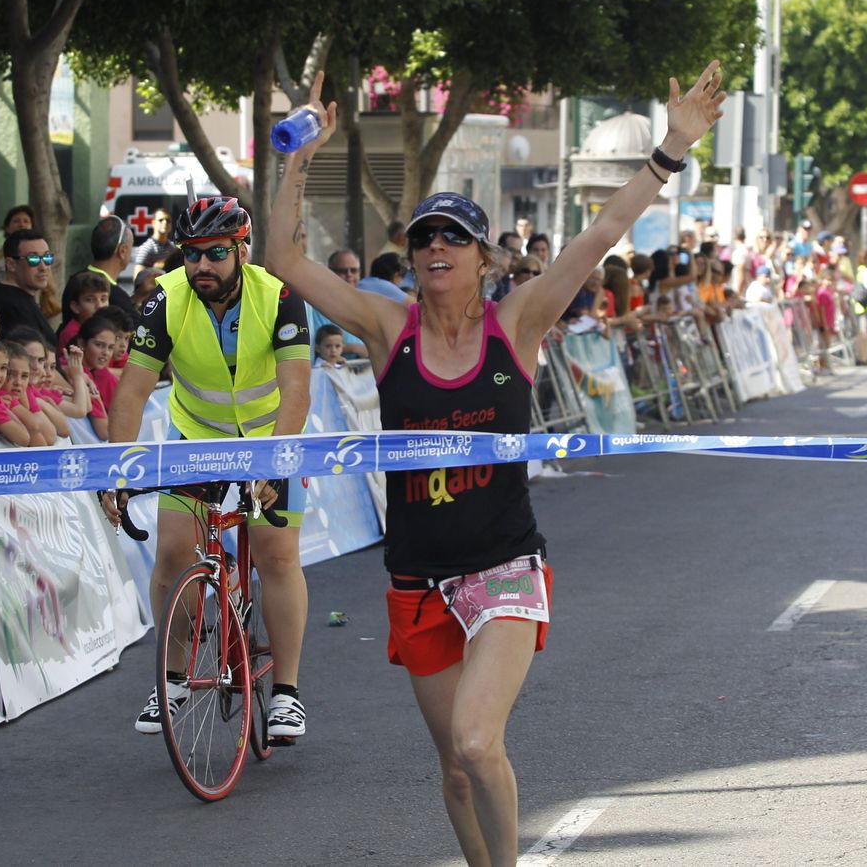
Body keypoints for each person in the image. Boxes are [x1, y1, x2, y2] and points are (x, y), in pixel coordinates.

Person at [267, 62, 724, 866]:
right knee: (452, 769)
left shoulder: (519, 322)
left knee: (480, 741)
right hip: (418, 578)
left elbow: (599, 236)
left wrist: (672, 148)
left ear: (482, 258)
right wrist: (300, 154)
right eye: (423, 237)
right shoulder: (386, 326)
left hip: (505, 566)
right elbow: (282, 257)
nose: (435, 246)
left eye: (453, 236)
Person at [102, 196, 313, 742]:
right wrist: (117, 472)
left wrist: (272, 462)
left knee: (276, 555)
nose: (202, 266)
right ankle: (171, 679)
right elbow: (131, 391)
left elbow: (296, 391)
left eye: (216, 253)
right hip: (198, 439)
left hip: (271, 436)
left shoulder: (280, 297)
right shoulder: (166, 299)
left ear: (241, 250)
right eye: (192, 254)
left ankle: (287, 693)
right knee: (172, 554)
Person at [0, 228, 58, 348]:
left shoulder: (22, 299)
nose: (43, 267)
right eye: (33, 259)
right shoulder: (9, 307)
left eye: (47, 258)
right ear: (11, 264)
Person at [86, 215, 139, 319]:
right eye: (131, 246)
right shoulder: (115, 296)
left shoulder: (75, 281)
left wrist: (138, 296)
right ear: (122, 251)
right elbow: (143, 332)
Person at [0, 204, 36, 294]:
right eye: (16, 221)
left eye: (26, 221)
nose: (22, 224)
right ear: (7, 228)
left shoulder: (40, 255)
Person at [58, 270, 112, 352]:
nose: (99, 306)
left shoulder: (108, 328)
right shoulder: (73, 333)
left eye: (103, 299)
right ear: (75, 307)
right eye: (90, 300)